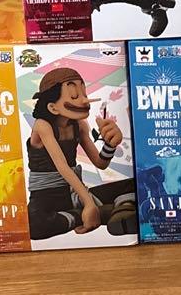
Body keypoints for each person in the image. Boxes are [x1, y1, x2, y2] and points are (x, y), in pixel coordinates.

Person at [25, 67, 136, 241]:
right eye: (75, 96)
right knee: (35, 225)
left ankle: (118, 209)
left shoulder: (80, 125)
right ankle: (102, 212)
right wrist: (89, 204)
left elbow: (100, 163)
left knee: (135, 184)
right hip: (46, 198)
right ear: (53, 107)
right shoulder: (42, 126)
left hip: (73, 195)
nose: (85, 100)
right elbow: (62, 166)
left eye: (84, 93)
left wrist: (110, 144)